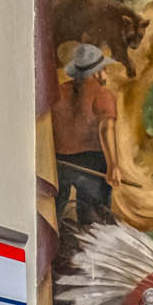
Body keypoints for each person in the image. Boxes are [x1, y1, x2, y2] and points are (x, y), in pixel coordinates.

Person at [53, 43, 120, 221]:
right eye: (104, 69)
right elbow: (106, 128)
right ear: (97, 72)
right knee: (94, 221)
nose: (107, 73)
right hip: (92, 165)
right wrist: (113, 165)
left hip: (59, 163)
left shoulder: (58, 92)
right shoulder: (103, 94)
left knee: (54, 216)